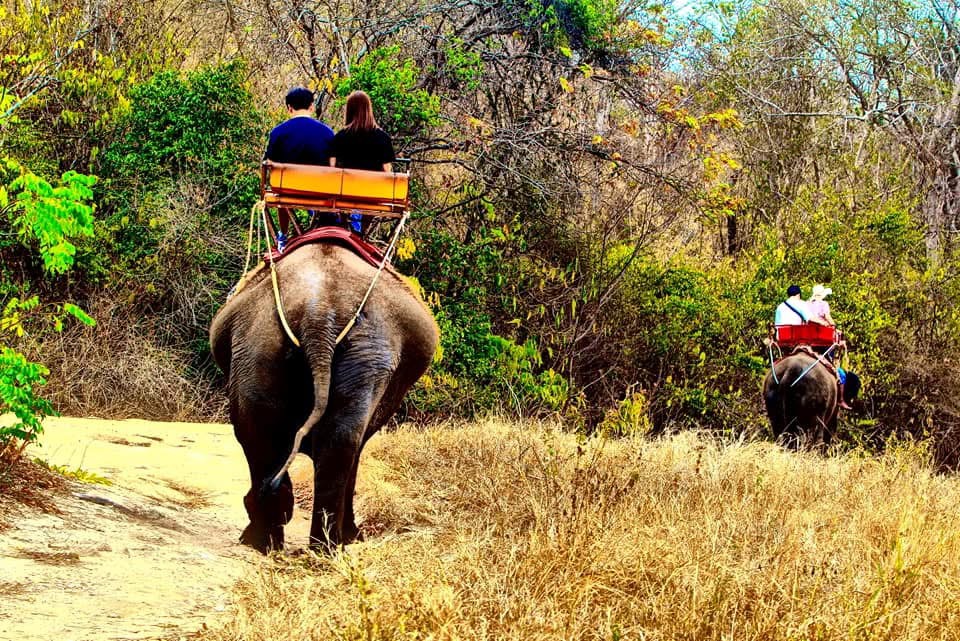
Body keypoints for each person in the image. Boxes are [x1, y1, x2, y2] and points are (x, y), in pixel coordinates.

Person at [264, 86, 335, 251]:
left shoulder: (278, 132)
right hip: (319, 189)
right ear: (311, 106)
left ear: (289, 108)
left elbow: (270, 162)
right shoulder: (327, 132)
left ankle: (283, 235)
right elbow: (333, 165)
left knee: (281, 190)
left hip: (288, 189)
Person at [328, 90, 396, 173]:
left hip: (347, 181)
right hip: (373, 181)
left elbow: (332, 167)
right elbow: (387, 170)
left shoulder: (340, 137)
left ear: (349, 110)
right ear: (368, 109)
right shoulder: (383, 138)